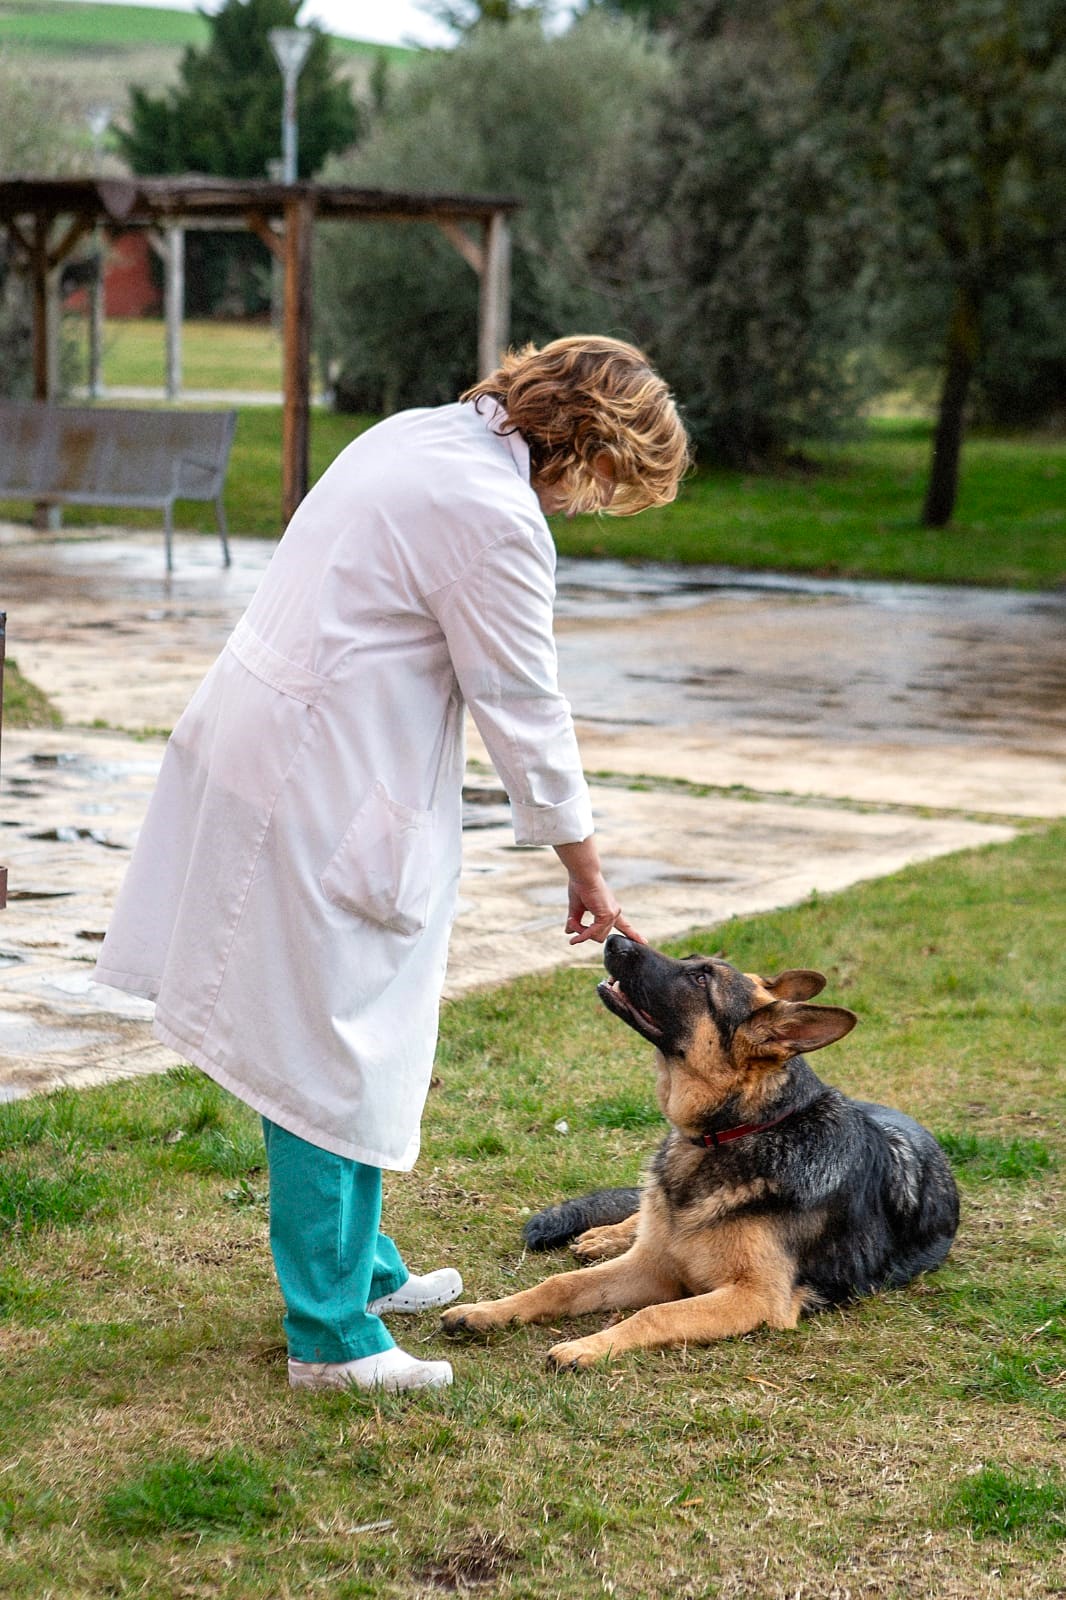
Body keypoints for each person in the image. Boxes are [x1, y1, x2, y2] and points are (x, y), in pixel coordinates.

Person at [94, 335, 690, 1393]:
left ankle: (362, 1268)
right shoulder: (495, 518)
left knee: (356, 1035)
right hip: (316, 782)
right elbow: (525, 711)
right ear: (589, 448)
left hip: (283, 747)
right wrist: (585, 870)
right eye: (610, 485)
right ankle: (329, 1334)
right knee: (326, 1047)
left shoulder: (416, 435)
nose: (591, 506)